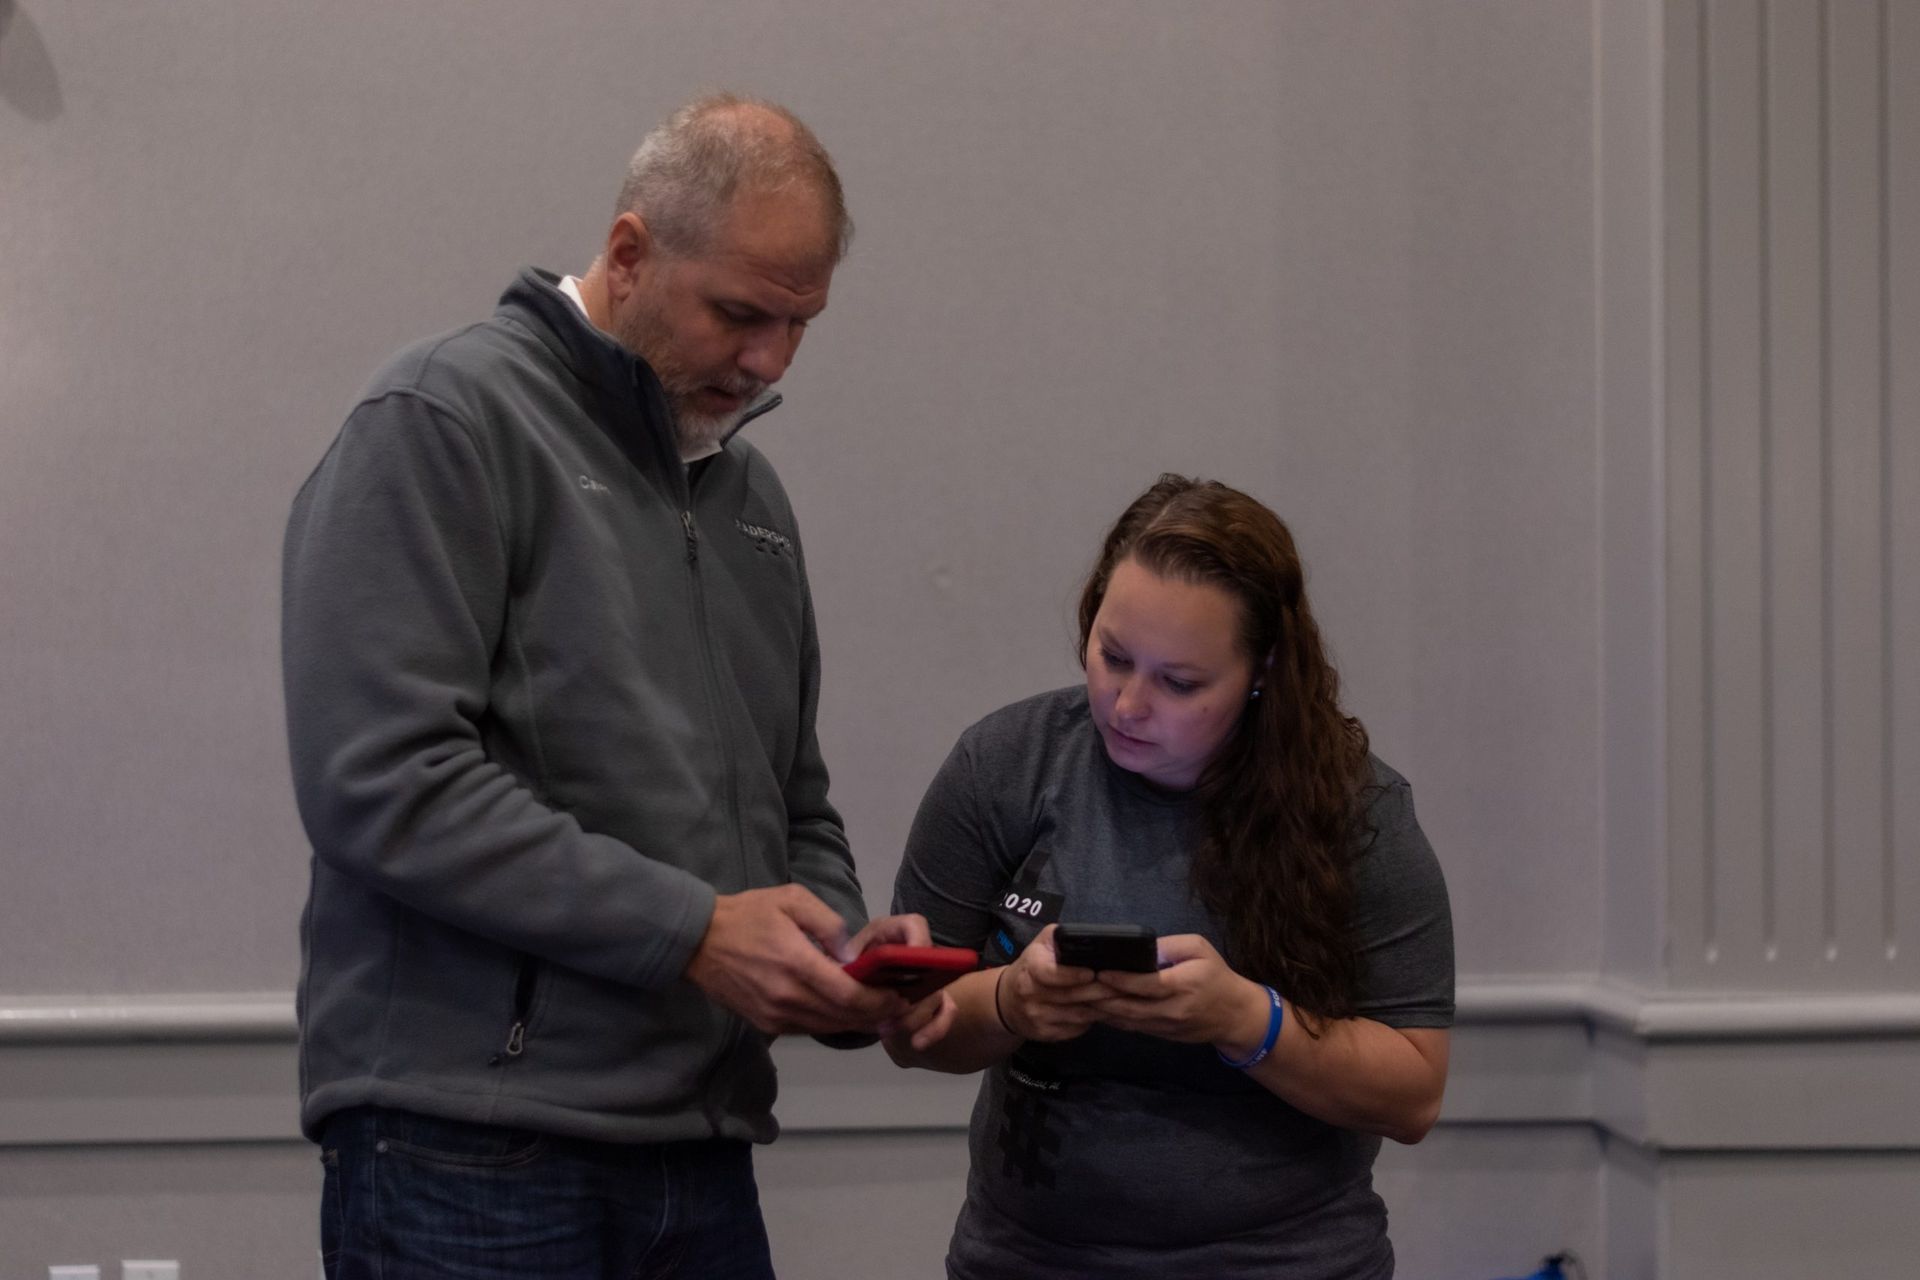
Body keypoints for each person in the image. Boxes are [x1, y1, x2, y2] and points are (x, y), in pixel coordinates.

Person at [282, 94, 944, 1280]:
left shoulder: (754, 506)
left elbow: (794, 807)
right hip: (466, 1154)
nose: (768, 362)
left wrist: (836, 955)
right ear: (630, 253)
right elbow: (382, 782)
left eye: (801, 324)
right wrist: (692, 930)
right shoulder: (441, 420)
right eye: (741, 313)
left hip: (700, 1151)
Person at [885, 474, 1454, 1279]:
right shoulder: (1005, 766)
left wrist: (1244, 1021)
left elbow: (1413, 1094)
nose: (1125, 705)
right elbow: (912, 1031)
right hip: (1029, 1259)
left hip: (1289, 1262)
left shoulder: (1357, 809)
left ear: (1263, 673)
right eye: (1111, 657)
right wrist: (1015, 999)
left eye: (1180, 683)